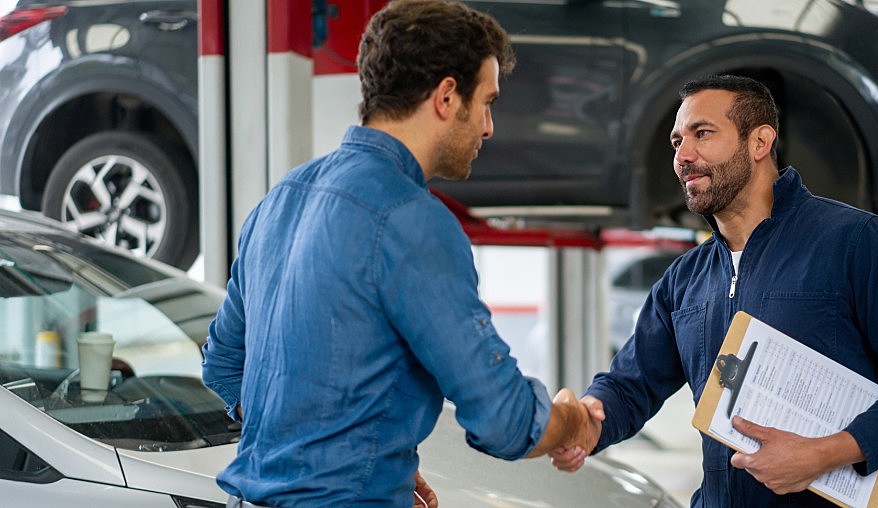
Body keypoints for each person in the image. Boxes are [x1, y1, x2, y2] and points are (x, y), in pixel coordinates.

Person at [201, 1, 600, 506]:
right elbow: (502, 418)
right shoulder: (414, 221)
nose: (488, 127)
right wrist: (573, 420)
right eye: (486, 102)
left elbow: (223, 365)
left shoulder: (282, 197)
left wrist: (358, 458)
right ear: (447, 97)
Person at [547, 74, 878, 507]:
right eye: (677, 142)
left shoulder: (858, 242)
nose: (683, 155)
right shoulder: (684, 280)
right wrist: (583, 422)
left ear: (759, 142)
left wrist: (823, 454)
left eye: (702, 133)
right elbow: (629, 387)